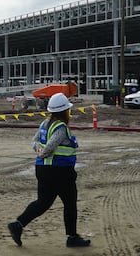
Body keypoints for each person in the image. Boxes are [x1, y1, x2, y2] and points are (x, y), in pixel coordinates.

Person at [7, 92, 91, 248]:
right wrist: (43, 151)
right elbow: (50, 147)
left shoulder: (45, 124)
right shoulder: (60, 127)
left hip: (43, 169)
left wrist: (39, 150)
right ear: (64, 111)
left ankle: (18, 225)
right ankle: (72, 237)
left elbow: (34, 141)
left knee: (43, 202)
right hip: (60, 171)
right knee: (70, 203)